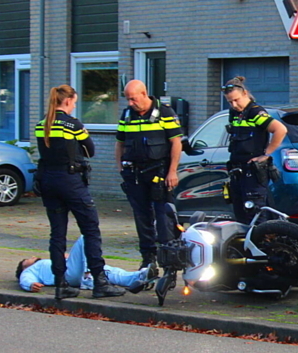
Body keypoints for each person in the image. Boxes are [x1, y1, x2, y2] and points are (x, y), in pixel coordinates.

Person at [35, 84, 125, 300]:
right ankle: (100, 282)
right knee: (91, 228)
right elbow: (90, 150)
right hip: (70, 182)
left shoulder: (41, 125)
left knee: (57, 234)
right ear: (67, 101)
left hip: (48, 181)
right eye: (74, 102)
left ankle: (61, 284)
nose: (74, 106)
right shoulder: (71, 124)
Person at [114, 79, 183, 268]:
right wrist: (120, 168)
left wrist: (172, 172)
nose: (130, 103)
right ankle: (147, 261)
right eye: (127, 99)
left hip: (159, 174)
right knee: (142, 218)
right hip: (135, 175)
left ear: (144, 94)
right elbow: (119, 142)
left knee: (163, 218)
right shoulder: (127, 115)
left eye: (133, 99)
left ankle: (169, 261)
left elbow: (176, 142)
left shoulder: (165, 112)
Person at [222, 76, 288, 224]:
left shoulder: (254, 112)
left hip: (253, 172)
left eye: (236, 100)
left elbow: (280, 130)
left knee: (256, 214)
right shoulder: (234, 113)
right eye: (230, 101)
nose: (234, 104)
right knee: (241, 214)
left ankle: (262, 244)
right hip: (237, 170)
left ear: (245, 93)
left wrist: (266, 154)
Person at [16, 236, 152, 293]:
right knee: (85, 237)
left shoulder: (48, 261)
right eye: (27, 259)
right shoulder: (33, 268)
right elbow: (25, 278)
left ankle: (139, 276)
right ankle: (88, 277)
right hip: (67, 275)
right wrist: (30, 285)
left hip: (71, 270)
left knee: (108, 272)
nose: (32, 257)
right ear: (24, 266)